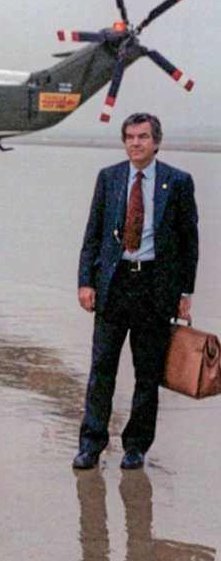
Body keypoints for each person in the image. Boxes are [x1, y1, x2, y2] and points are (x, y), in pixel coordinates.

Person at [73, 112, 198, 471]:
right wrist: (85, 282)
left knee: (147, 374)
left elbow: (189, 242)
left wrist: (184, 293)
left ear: (156, 142)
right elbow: (92, 234)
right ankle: (91, 443)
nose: (135, 143)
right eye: (129, 137)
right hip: (113, 285)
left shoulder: (177, 182)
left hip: (154, 288)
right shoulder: (109, 178)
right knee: (102, 369)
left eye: (143, 137)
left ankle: (135, 447)